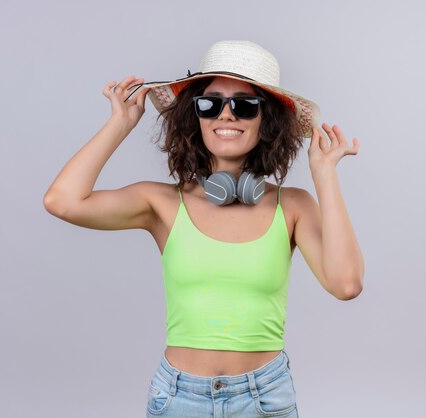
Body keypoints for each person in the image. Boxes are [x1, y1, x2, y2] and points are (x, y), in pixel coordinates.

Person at [43, 40, 364, 417]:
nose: (226, 116)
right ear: (195, 116)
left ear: (267, 121)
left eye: (244, 106)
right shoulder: (160, 204)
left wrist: (324, 175)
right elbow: (61, 201)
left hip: (265, 397)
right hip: (180, 399)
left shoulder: (292, 206)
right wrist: (120, 124)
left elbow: (346, 285)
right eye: (210, 104)